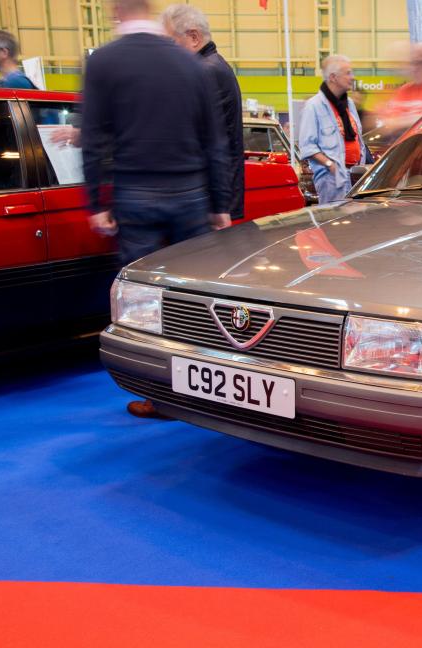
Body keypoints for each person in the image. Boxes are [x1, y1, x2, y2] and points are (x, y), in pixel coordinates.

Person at [81, 0, 231, 419]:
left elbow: (94, 139)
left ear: (115, 13)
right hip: (191, 194)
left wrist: (96, 201)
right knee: (196, 297)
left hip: (136, 193)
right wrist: (219, 205)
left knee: (145, 302)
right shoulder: (189, 64)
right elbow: (214, 143)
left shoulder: (104, 62)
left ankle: (158, 396)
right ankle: (212, 393)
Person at [161, 4, 245, 221]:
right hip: (212, 197)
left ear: (194, 37)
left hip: (208, 200)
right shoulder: (213, 67)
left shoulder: (206, 72)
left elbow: (201, 141)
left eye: (170, 42)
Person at [298, 54, 366, 204]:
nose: (352, 77)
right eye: (348, 73)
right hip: (332, 178)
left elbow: (357, 138)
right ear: (333, 77)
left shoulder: (349, 104)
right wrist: (330, 165)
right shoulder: (314, 106)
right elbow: (307, 146)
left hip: (355, 176)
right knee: (334, 223)